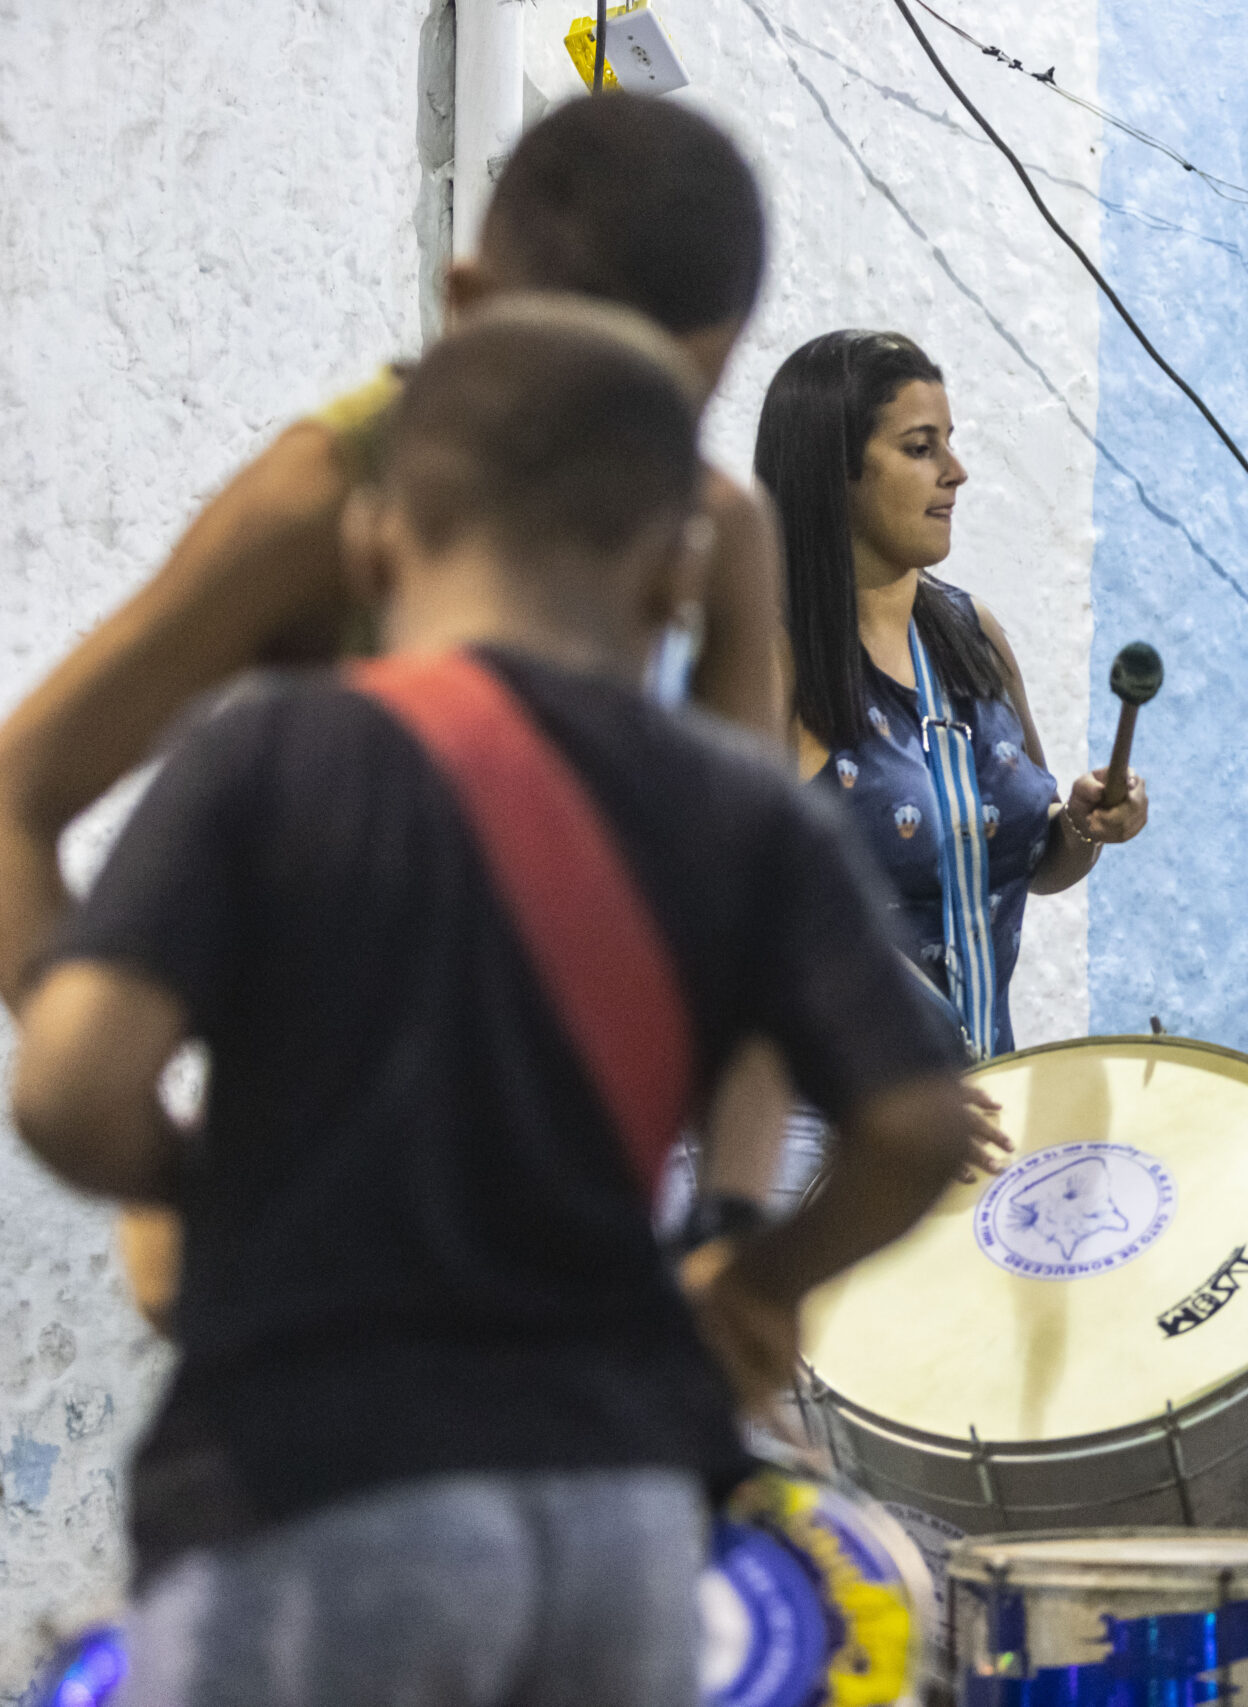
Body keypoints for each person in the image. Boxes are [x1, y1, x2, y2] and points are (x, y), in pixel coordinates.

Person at [7, 300, 987, 1706]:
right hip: (617, 1513)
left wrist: (209, 1195)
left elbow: (70, 1089)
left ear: (373, 543)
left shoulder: (278, 755)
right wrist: (761, 1278)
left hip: (316, 1486)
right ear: (673, 576)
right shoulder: (736, 810)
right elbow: (915, 1122)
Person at [0, 93, 791, 1323]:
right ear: (469, 305)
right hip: (325, 1239)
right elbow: (16, 795)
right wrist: (172, 1183)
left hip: (562, 1227)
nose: (633, 456)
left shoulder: (714, 532)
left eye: (678, 407)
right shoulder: (322, 500)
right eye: (591, 391)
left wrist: (731, 1227)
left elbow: (760, 911)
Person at [755, 330, 1149, 1061]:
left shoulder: (973, 636)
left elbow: (1035, 859)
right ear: (833, 469)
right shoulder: (774, 659)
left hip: (981, 1095)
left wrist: (1086, 823)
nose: (957, 472)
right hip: (835, 1110)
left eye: (950, 443)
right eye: (920, 447)